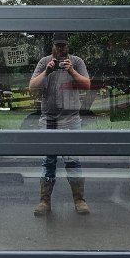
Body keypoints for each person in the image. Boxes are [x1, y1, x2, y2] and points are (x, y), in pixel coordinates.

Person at [28, 32, 91, 216]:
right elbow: (32, 87)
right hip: (48, 120)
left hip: (71, 120)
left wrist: (71, 71)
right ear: (53, 46)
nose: (61, 49)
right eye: (58, 45)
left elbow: (87, 84)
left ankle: (80, 200)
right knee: (48, 161)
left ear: (68, 46)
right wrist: (47, 71)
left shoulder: (76, 62)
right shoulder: (44, 62)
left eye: (64, 45)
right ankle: (44, 201)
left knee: (73, 161)